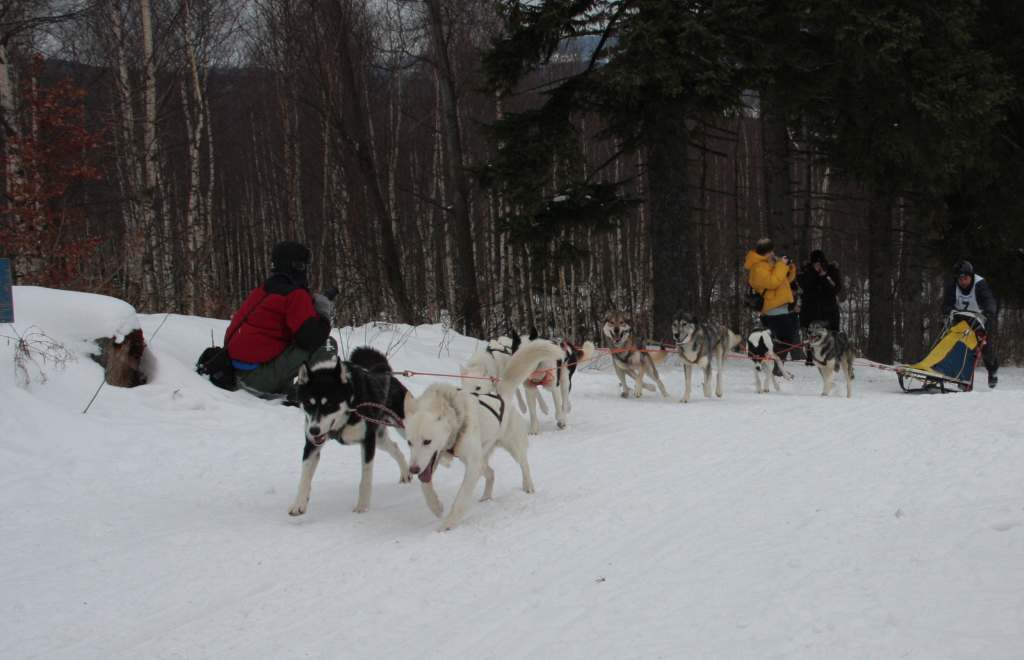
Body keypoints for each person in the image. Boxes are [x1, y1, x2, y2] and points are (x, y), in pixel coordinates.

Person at [225, 241, 335, 398]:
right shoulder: (295, 294)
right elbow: (311, 339)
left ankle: (284, 384)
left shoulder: (264, 289)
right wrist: (323, 313)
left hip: (235, 370)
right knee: (327, 344)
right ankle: (311, 395)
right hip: (255, 379)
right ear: (297, 266)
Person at [744, 237, 802, 370]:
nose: (773, 253)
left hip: (781, 305)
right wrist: (781, 265)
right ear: (765, 252)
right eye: (770, 251)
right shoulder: (758, 267)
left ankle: (773, 364)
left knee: (785, 337)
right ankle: (773, 366)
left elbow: (785, 279)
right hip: (772, 307)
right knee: (785, 338)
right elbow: (772, 282)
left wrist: (789, 266)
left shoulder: (770, 263)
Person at [942, 259, 998, 388]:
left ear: (971, 276)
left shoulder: (980, 284)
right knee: (954, 343)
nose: (963, 282)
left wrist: (989, 312)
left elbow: (989, 300)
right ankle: (960, 375)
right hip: (960, 318)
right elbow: (946, 304)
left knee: (983, 346)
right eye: (960, 279)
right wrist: (947, 311)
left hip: (979, 318)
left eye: (965, 278)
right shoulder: (952, 285)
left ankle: (992, 370)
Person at [797, 249, 842, 365]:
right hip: (810, 309)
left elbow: (835, 288)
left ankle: (831, 357)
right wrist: (813, 271)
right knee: (810, 333)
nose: (818, 265)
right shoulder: (806, 271)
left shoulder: (831, 271)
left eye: (820, 262)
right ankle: (810, 357)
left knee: (831, 334)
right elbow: (804, 285)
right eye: (815, 263)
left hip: (828, 309)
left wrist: (824, 275)